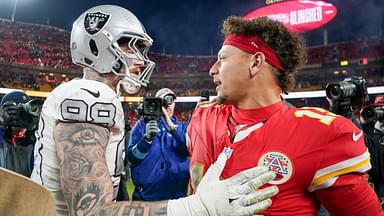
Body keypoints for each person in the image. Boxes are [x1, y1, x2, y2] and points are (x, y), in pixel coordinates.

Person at [30, 5, 278, 215]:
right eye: (131, 47)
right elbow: (91, 210)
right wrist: (194, 208)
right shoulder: (90, 97)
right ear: (96, 46)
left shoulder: (88, 94)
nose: (140, 59)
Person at [187, 16, 384, 215]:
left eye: (222, 59)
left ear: (256, 62)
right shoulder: (202, 117)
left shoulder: (319, 132)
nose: (213, 70)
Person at [128, 88, 189, 201]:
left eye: (170, 101)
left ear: (175, 104)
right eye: (163, 102)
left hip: (177, 196)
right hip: (146, 196)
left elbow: (189, 150)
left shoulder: (182, 127)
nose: (167, 106)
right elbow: (133, 158)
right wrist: (146, 140)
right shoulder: (141, 126)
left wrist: (172, 128)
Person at [0, 91, 41, 177]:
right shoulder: (2, 140)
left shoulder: (37, 141)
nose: (22, 117)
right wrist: (2, 125)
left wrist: (36, 125)